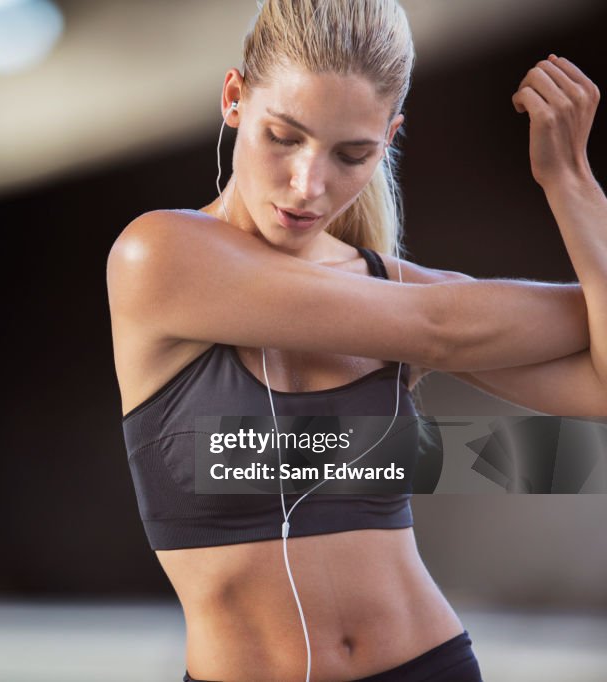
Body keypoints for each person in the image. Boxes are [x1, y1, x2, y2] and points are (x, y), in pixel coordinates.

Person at [106, 1, 606, 680]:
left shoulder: (389, 287)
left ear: (389, 139)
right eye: (283, 136)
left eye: (351, 154)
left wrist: (572, 185)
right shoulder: (159, 256)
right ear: (233, 99)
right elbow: (444, 330)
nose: (309, 184)